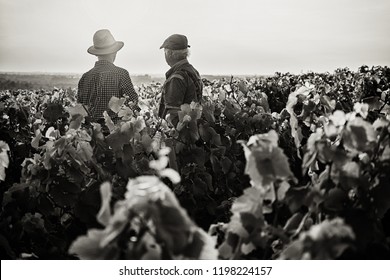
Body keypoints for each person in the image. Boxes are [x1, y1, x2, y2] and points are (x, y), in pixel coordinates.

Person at [77, 29, 138, 123]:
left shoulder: (85, 77)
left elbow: (80, 109)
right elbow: (133, 103)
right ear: (114, 52)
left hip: (90, 133)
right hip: (116, 133)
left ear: (96, 54)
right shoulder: (122, 74)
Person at [158, 34, 203, 126]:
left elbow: (172, 115)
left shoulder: (176, 78)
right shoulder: (193, 71)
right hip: (193, 128)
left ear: (169, 53)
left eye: (165, 52)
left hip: (180, 135)